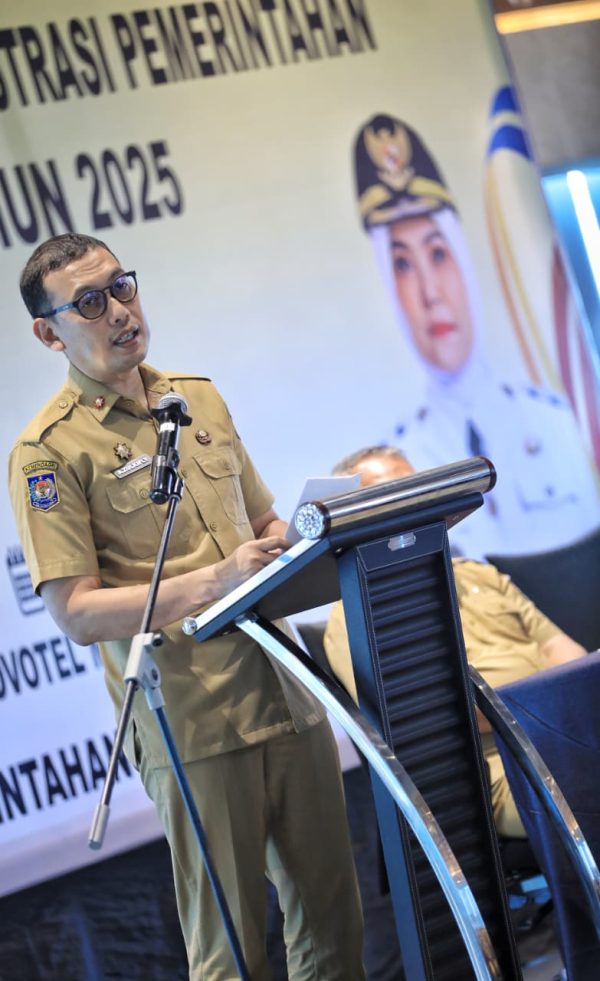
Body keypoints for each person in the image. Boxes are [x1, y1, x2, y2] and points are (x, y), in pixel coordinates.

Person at [8, 233, 365, 980]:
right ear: (49, 333)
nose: (119, 311)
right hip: (193, 721)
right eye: (90, 303)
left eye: (122, 286)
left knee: (334, 930)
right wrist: (215, 581)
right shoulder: (48, 451)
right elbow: (77, 613)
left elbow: (262, 523)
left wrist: (323, 527)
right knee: (232, 954)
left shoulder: (195, 397)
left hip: (285, 689)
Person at [352, 114, 600, 560]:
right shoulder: (393, 468)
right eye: (403, 265)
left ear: (464, 261)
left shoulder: (558, 420)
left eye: (438, 253)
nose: (430, 293)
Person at [323, 445, 586, 838]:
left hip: (572, 736)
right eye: (390, 493)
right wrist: (557, 710)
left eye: (417, 488)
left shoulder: (478, 574)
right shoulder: (355, 616)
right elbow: (434, 722)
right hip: (506, 772)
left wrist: (572, 709)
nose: (412, 503)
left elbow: (561, 650)